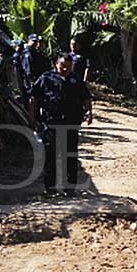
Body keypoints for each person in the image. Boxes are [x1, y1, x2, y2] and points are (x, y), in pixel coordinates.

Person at [29, 53, 94, 197]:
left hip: (71, 123)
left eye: (69, 67)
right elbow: (34, 98)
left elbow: (86, 97)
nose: (65, 69)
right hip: (51, 123)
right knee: (50, 156)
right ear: (56, 64)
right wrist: (32, 118)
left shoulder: (76, 80)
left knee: (70, 155)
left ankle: (69, 188)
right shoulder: (46, 78)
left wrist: (90, 112)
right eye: (63, 66)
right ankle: (50, 188)